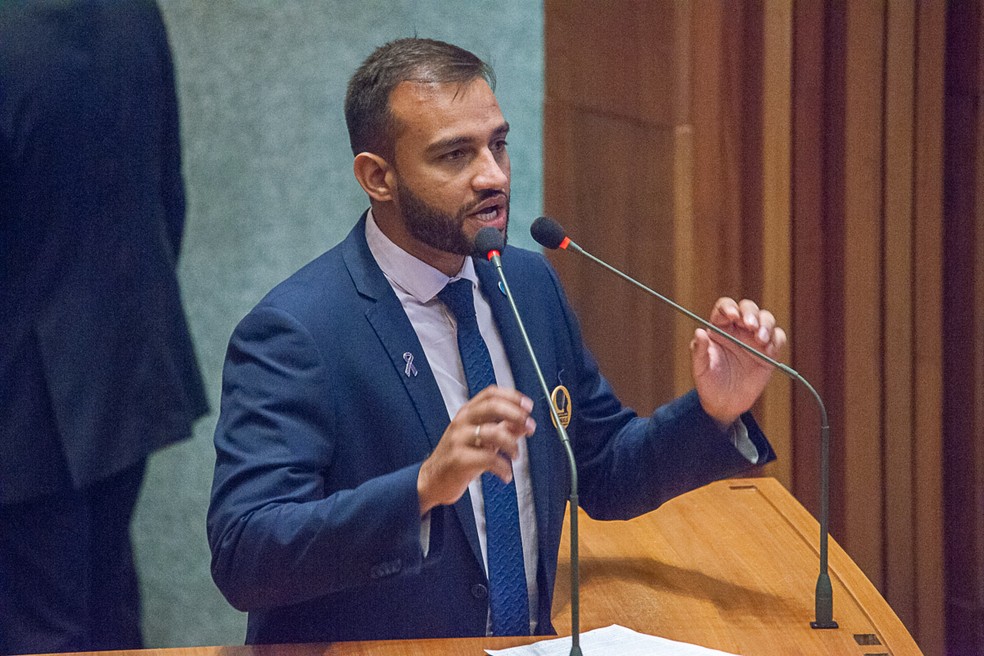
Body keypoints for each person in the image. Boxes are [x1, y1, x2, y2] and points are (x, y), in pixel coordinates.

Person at [206, 37, 786, 644]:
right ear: (378, 177)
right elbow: (245, 555)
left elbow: (603, 470)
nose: (493, 176)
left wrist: (715, 410)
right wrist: (423, 487)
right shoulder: (297, 331)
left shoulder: (526, 283)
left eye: (498, 145)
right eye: (455, 155)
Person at [0, 2, 209, 653]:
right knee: (106, 604)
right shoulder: (133, 11)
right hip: (127, 359)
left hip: (19, 390)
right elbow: (167, 188)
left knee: (39, 628)